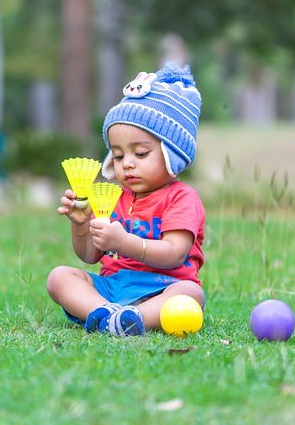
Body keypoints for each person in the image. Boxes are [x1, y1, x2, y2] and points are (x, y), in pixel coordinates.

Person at [47, 62, 206, 336]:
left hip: (161, 286)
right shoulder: (113, 197)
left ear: (172, 154)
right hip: (113, 287)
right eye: (118, 156)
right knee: (59, 277)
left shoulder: (182, 198)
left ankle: (136, 317)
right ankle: (105, 313)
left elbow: (174, 253)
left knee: (191, 294)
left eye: (141, 153)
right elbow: (90, 256)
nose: (127, 164)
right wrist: (81, 225)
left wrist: (124, 242)